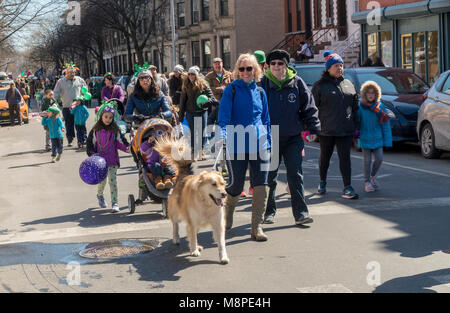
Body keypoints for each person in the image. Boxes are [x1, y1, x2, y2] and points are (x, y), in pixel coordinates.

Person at [260, 49, 321, 225]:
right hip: (270, 138)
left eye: (280, 63)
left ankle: (301, 213)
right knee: (270, 177)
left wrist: (313, 128)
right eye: (273, 64)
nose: (277, 67)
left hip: (293, 137)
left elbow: (309, 107)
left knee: (295, 175)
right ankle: (268, 212)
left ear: (287, 66)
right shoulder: (262, 84)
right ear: (268, 66)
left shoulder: (297, 83)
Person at [218, 53, 271, 241]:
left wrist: (269, 141)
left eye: (249, 68)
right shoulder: (231, 90)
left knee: (261, 184)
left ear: (255, 70)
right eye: (242, 68)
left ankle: (256, 227)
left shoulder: (261, 92)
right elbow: (223, 117)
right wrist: (222, 137)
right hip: (237, 142)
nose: (246, 72)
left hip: (259, 143)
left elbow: (265, 119)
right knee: (236, 184)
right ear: (237, 71)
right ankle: (229, 210)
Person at [312, 51, 360, 199]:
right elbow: (312, 108)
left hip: (345, 129)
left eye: (341, 65)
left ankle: (347, 187)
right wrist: (311, 128)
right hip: (326, 129)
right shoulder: (320, 86)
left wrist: (356, 127)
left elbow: (355, 107)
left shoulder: (348, 84)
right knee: (324, 158)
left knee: (345, 158)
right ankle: (322, 181)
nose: (339, 68)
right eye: (335, 66)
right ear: (328, 69)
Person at [86, 103, 130, 213]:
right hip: (99, 162)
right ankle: (100, 195)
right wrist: (92, 154)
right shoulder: (95, 130)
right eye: (106, 117)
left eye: (111, 117)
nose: (108, 119)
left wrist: (128, 148)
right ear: (101, 116)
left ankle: (115, 202)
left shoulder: (115, 130)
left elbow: (121, 142)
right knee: (102, 182)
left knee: (112, 181)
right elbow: (90, 143)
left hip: (112, 160)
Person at [358, 81, 392, 192]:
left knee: (379, 159)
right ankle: (367, 182)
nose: (371, 95)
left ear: (376, 94)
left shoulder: (380, 106)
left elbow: (385, 125)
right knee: (367, 161)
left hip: (378, 138)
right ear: (364, 94)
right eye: (368, 93)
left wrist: (387, 141)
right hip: (365, 138)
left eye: (373, 93)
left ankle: (372, 176)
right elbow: (356, 122)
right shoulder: (360, 107)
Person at [179, 66, 214, 161]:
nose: (191, 76)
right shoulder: (185, 85)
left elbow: (211, 97)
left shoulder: (203, 84)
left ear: (196, 75)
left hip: (202, 112)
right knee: (194, 133)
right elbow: (182, 101)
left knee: (202, 132)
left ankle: (201, 151)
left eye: (193, 74)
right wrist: (180, 115)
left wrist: (206, 103)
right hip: (190, 112)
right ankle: (194, 152)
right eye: (189, 74)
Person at [53, 63, 88, 147]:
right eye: (70, 72)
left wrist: (82, 97)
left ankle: (83, 139)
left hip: (78, 106)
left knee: (80, 123)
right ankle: (70, 138)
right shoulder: (61, 82)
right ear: (66, 73)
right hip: (67, 106)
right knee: (69, 124)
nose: (72, 74)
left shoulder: (79, 80)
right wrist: (53, 101)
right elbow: (56, 93)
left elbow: (85, 90)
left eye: (73, 72)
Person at [140, 125, 176, 190]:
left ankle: (168, 180)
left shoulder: (166, 145)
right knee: (156, 166)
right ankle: (158, 181)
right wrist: (148, 142)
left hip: (165, 165)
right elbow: (143, 149)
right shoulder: (150, 147)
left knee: (170, 167)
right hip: (154, 165)